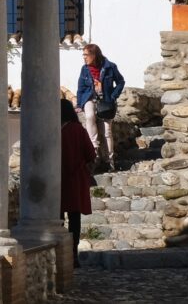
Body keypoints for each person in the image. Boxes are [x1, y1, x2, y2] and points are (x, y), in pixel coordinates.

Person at [75, 43, 124, 168]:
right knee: (90, 116)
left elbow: (120, 82)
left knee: (107, 131)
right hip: (89, 98)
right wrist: (80, 103)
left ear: (94, 55)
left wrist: (113, 96)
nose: (84, 57)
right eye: (83, 55)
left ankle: (109, 161)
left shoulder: (110, 67)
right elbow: (81, 88)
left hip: (106, 101)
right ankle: (94, 149)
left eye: (86, 55)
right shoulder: (84, 69)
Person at [61, 98, 96, 267]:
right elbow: (91, 154)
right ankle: (73, 254)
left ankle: (59, 252)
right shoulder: (78, 130)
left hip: (58, 180)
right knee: (74, 218)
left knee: (57, 218)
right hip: (75, 179)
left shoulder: (54, 131)